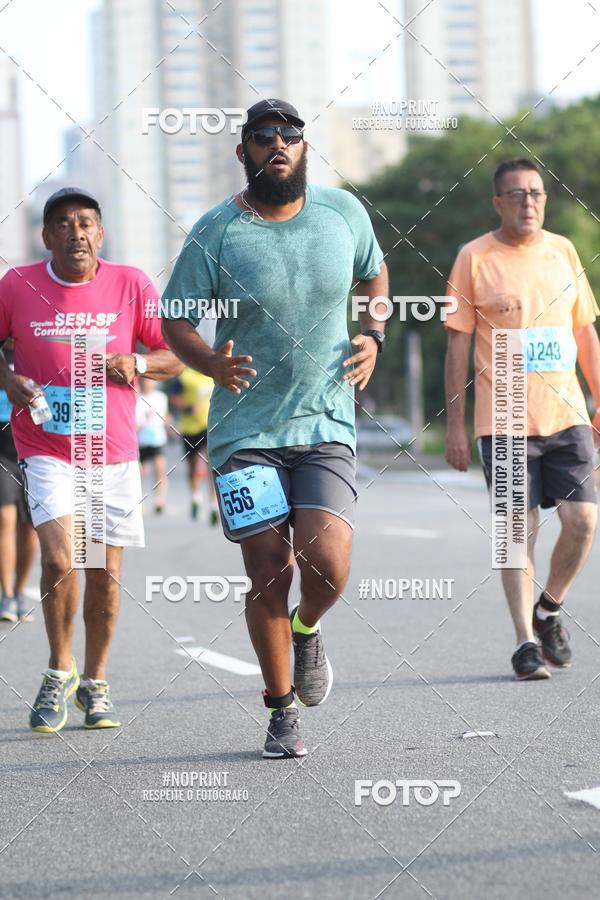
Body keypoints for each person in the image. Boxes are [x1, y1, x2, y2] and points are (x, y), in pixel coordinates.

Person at [162, 99, 387, 758]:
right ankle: (280, 708)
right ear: (244, 152)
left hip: (324, 419)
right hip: (244, 433)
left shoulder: (343, 213)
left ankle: (307, 627)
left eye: (290, 135)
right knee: (266, 566)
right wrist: (209, 362)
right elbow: (175, 318)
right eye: (264, 136)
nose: (278, 144)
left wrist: (373, 333)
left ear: (304, 147)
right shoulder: (216, 231)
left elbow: (375, 272)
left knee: (329, 562)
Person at [0, 187, 182, 732]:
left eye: (85, 223)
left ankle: (96, 681)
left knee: (103, 570)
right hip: (47, 448)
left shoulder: (131, 284)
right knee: (60, 559)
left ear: (100, 233)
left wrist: (137, 363)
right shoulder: (17, 284)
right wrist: (7, 379)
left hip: (110, 453)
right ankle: (60, 668)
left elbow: (174, 355)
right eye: (63, 223)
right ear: (46, 236)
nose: (75, 232)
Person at [444, 158, 600, 680]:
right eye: (516, 194)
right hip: (504, 416)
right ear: (498, 203)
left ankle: (548, 609)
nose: (528, 202)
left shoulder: (564, 251)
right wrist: (455, 424)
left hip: (567, 414)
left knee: (583, 521)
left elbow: (584, 332)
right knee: (517, 531)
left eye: (536, 193)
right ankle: (524, 642)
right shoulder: (474, 258)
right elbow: (457, 345)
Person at [0, 351, 38, 623]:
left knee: (30, 526)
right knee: (4, 519)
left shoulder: (35, 341)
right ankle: (7, 594)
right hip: (2, 449)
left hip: (33, 444)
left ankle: (20, 590)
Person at [168, 367, 218, 522]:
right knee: (193, 466)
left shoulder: (212, 373)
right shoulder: (185, 376)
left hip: (209, 426)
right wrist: (188, 408)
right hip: (190, 428)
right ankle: (196, 496)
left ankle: (214, 504)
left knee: (212, 465)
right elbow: (173, 398)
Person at [136, 377, 170, 513]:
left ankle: (159, 499)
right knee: (140, 473)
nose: (148, 384)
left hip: (157, 439)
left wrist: (169, 426)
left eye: (150, 381)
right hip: (141, 440)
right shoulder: (137, 398)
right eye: (145, 382)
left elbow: (166, 416)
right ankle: (140, 500)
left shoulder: (161, 397)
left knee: (160, 469)